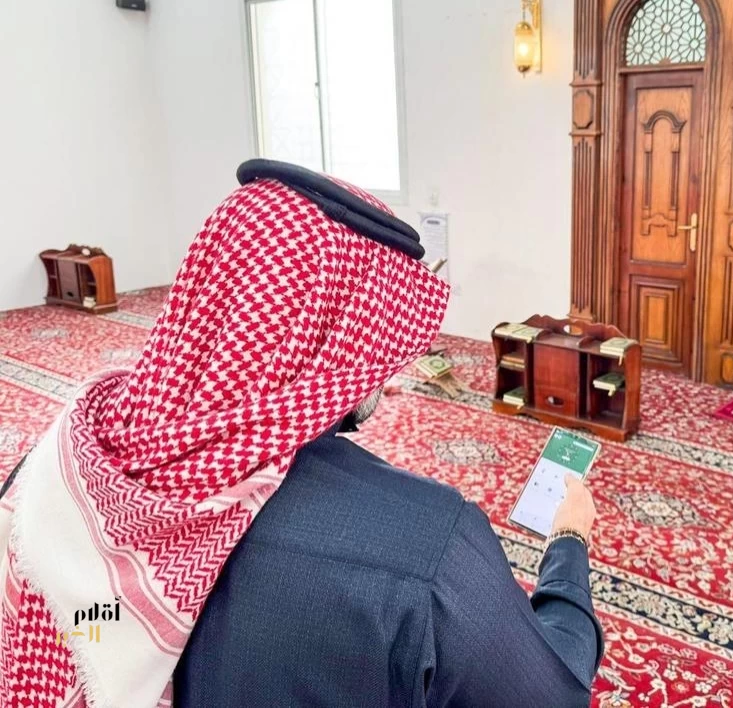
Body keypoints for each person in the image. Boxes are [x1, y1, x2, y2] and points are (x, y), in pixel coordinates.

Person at [0, 161, 603, 707]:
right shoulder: (429, 549)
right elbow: (553, 694)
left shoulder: (58, 468)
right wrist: (569, 544)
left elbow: (88, 625)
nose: (390, 366)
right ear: (347, 334)